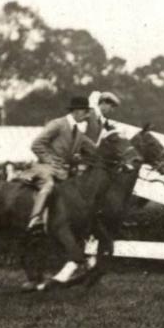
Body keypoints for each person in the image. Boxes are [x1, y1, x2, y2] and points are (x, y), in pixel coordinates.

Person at [27, 96, 94, 232]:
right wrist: (51, 160)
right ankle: (36, 219)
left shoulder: (79, 133)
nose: (87, 115)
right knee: (49, 185)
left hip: (63, 172)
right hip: (44, 168)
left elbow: (94, 150)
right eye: (85, 111)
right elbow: (36, 144)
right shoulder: (57, 124)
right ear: (76, 111)